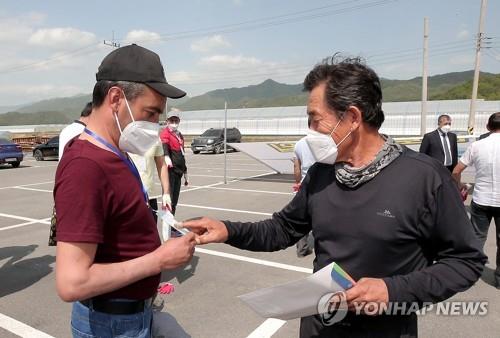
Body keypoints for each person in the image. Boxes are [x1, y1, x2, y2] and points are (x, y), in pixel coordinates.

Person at [183, 56, 486, 338]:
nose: (309, 131)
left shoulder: (425, 177)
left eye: (315, 119)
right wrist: (228, 230)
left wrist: (392, 290)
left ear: (352, 117)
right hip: (319, 326)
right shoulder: (321, 174)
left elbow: (466, 261)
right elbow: (283, 229)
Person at [54, 44, 197, 338]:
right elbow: (72, 282)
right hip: (111, 323)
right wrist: (159, 260)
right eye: (150, 112)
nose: (155, 124)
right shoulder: (86, 166)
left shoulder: (114, 153)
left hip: (132, 315)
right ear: (116, 98)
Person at [452, 112, 500, 289]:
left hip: (481, 198)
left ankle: (471, 272)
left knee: (477, 237)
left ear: (487, 127)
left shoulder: (477, 145)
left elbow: (456, 170)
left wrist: (460, 186)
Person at [129, 139, 171, 222]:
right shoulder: (121, 135)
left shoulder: (154, 138)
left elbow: (162, 164)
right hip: (128, 199)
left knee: (151, 233)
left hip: (150, 198)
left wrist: (166, 193)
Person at [293, 119, 316, 257]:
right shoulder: (328, 143)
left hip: (304, 185)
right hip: (323, 184)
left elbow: (297, 167)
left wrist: (298, 183)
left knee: (301, 218)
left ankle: (302, 249)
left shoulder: (299, 144)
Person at [160, 109, 188, 215]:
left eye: (176, 121)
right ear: (167, 121)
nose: (174, 123)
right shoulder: (165, 133)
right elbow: (164, 144)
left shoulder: (179, 135)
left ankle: (172, 227)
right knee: (168, 199)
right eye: (172, 121)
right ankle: (166, 227)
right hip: (170, 171)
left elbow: (182, 153)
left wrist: (185, 171)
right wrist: (166, 156)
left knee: (175, 200)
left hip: (179, 171)